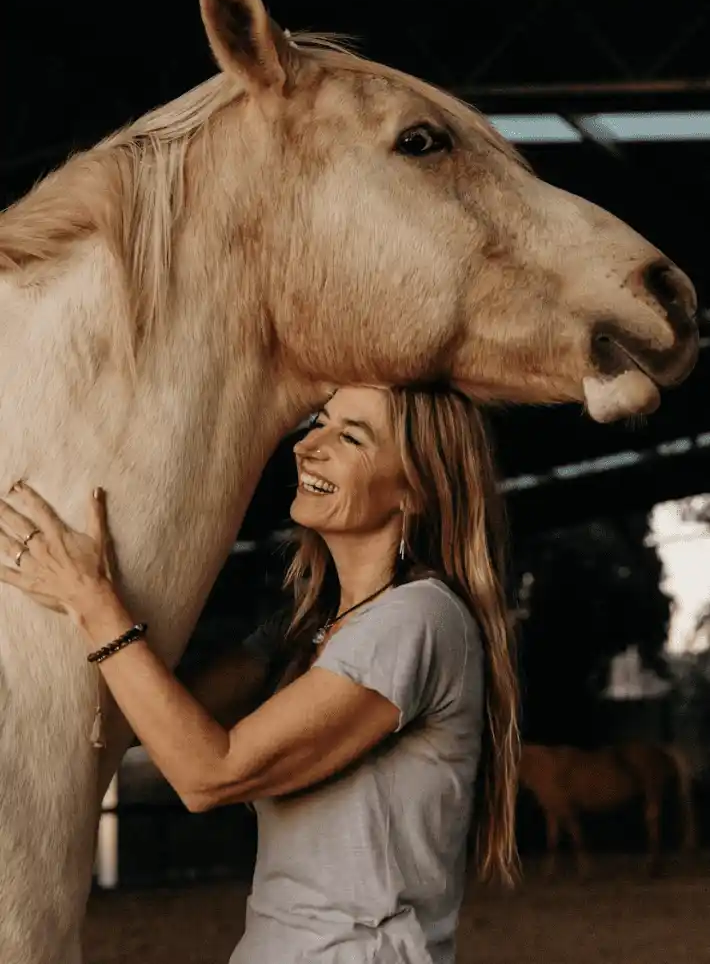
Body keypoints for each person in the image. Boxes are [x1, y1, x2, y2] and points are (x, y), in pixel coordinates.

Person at [0, 383, 519, 964]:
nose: (307, 446)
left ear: (417, 489)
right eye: (319, 422)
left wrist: (94, 602)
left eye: (351, 437)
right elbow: (156, 720)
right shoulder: (308, 628)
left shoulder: (417, 619)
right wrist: (95, 590)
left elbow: (207, 772)